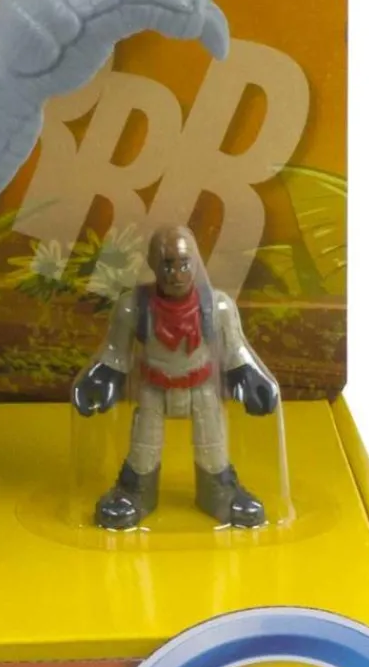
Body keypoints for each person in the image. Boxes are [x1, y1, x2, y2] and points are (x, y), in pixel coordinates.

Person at [73, 226, 280, 529]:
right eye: (167, 265)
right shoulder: (134, 307)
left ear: (196, 262)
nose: (176, 274)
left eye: (184, 264)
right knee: (144, 448)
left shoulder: (217, 306)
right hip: (153, 389)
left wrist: (251, 377)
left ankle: (220, 493)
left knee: (213, 447)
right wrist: (100, 378)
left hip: (201, 388)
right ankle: (135, 493)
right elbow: (116, 351)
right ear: (153, 264)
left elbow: (235, 350)